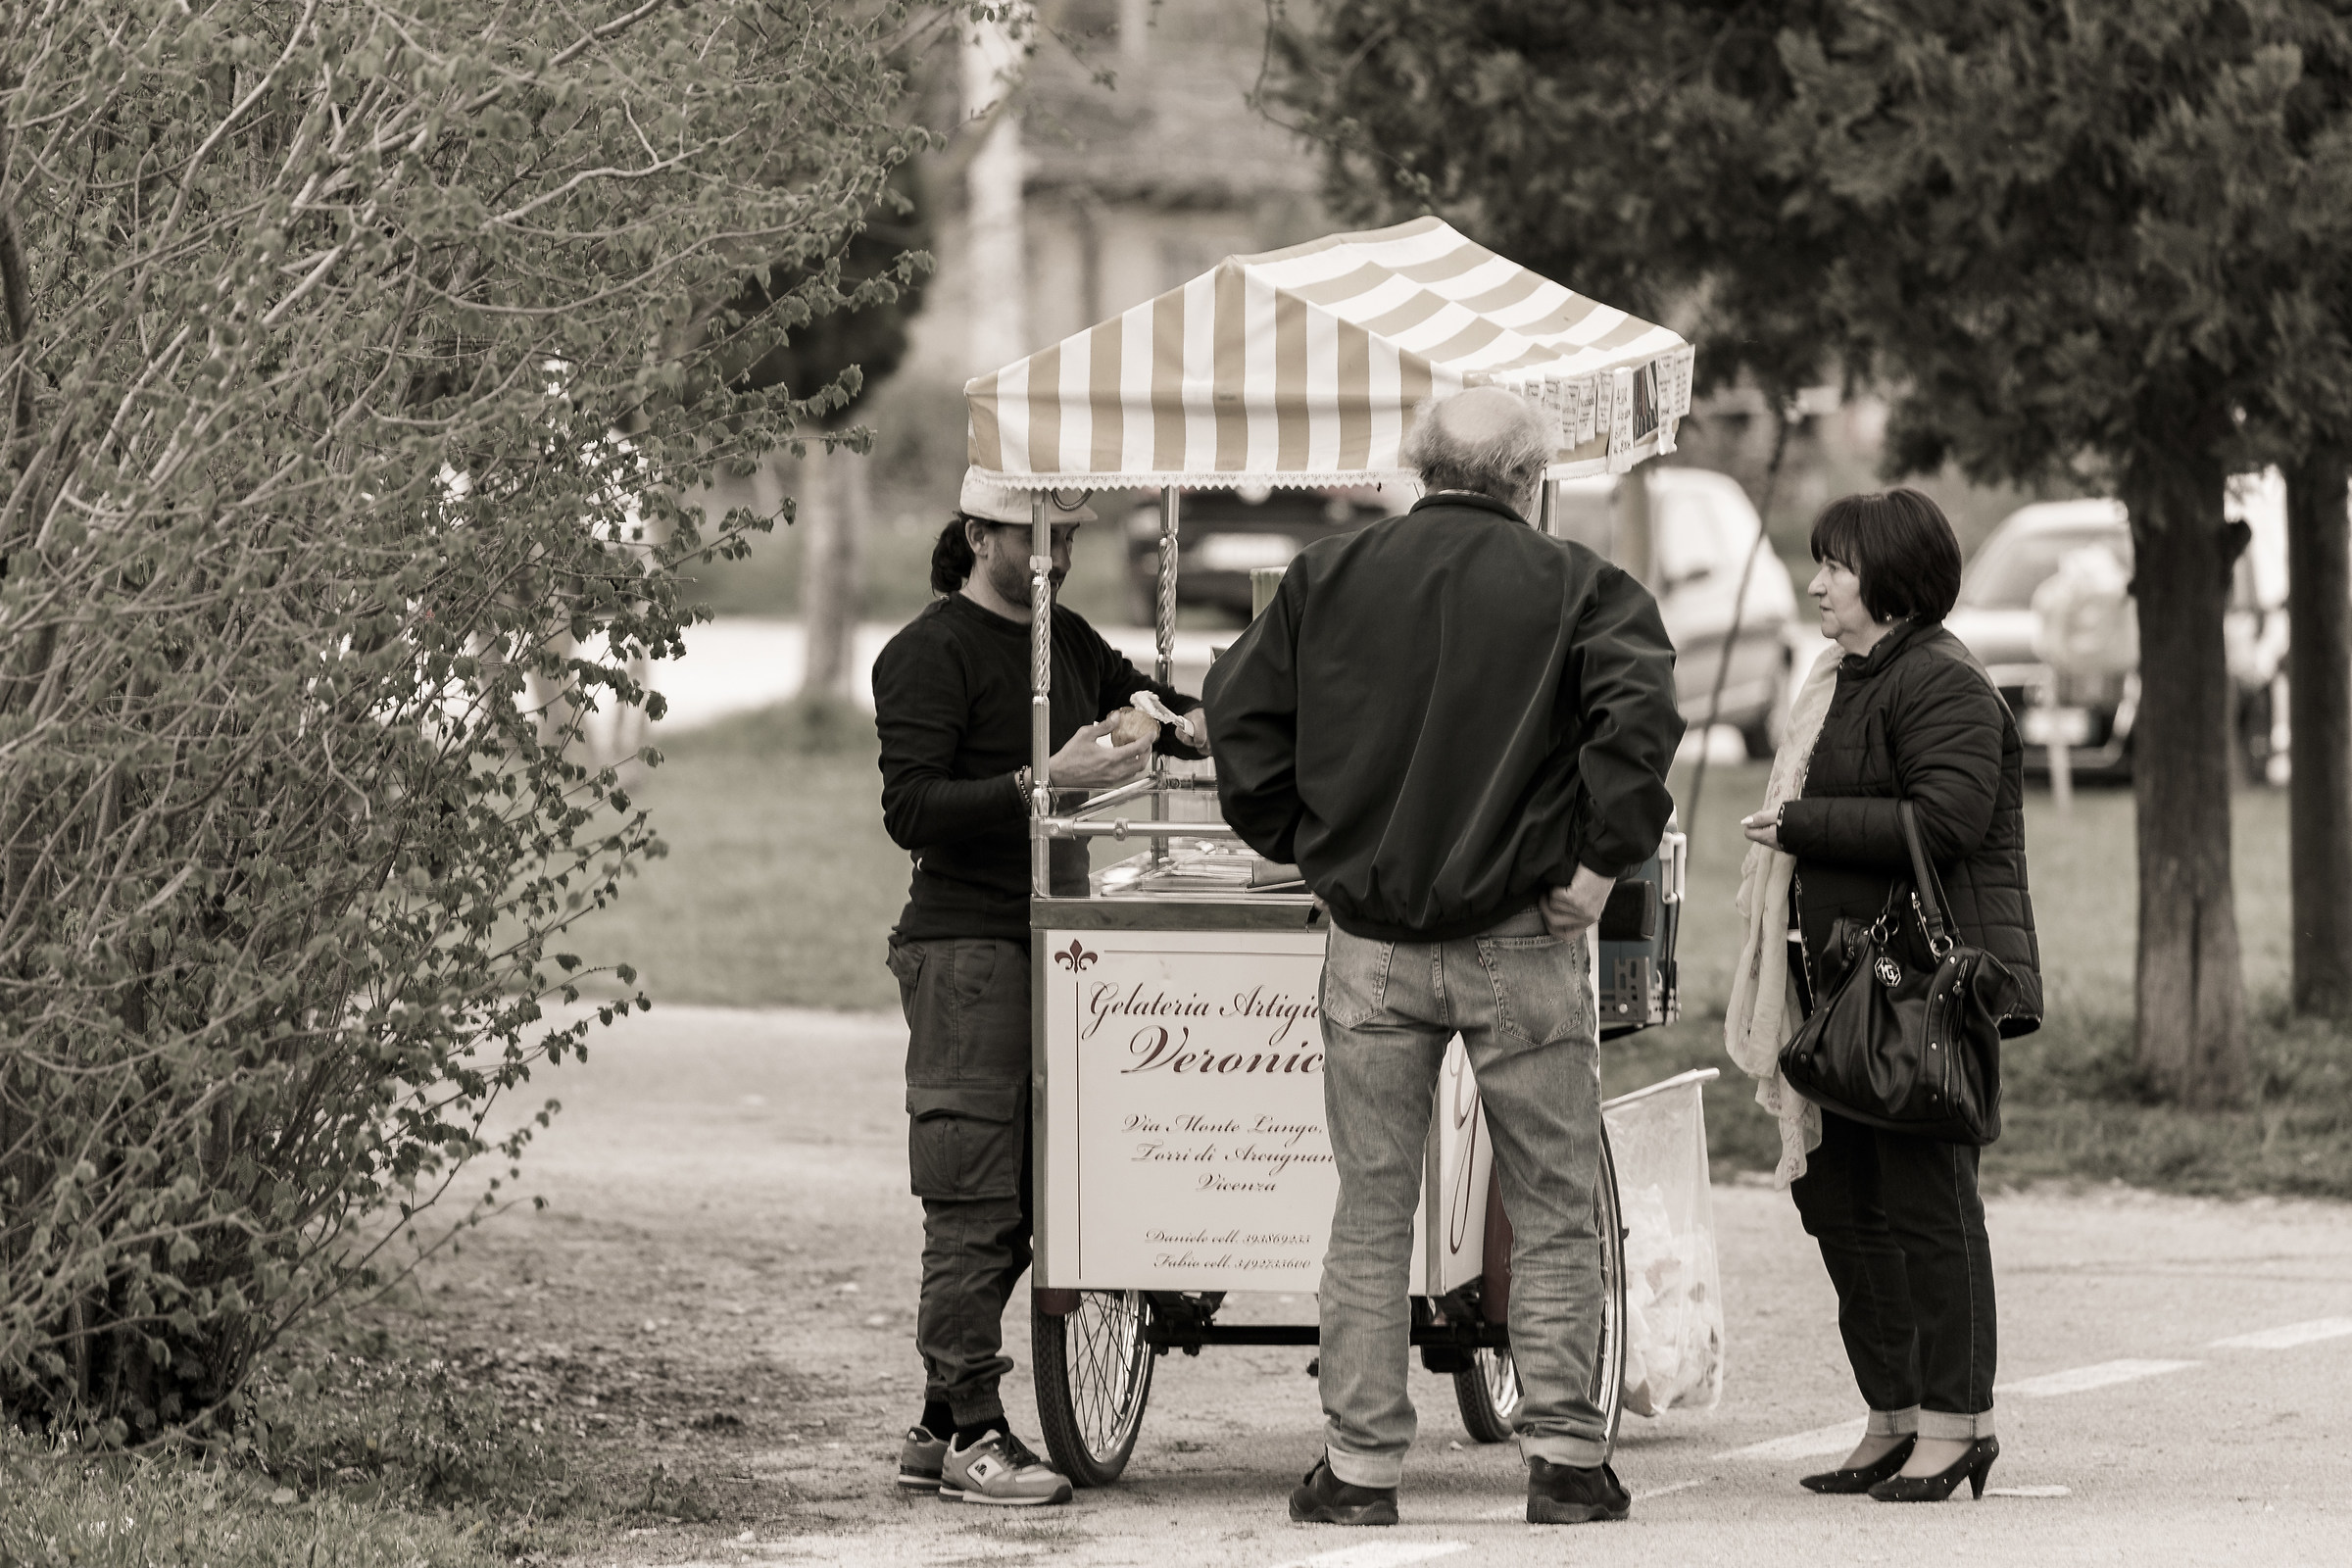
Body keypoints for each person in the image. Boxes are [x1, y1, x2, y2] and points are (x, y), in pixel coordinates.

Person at [1205, 387, 1685, 1527]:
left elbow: (1239, 716)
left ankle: (1361, 1469)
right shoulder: (1582, 587)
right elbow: (1642, 714)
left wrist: (1308, 841)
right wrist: (1600, 859)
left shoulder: (1326, 576)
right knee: (1556, 1196)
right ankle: (1566, 1457)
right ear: (1529, 480)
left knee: (1371, 1206)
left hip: (1369, 941)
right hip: (1525, 933)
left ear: (1420, 468)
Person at [872, 468, 1206, 1507]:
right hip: (968, 949)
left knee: (1040, 1201)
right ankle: (975, 1433)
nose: (1057, 554)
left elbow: (1151, 704)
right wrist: (1044, 780)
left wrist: (1202, 725)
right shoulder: (924, 655)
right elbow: (912, 808)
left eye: (1067, 533)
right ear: (980, 535)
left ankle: (938, 1422)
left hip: (1054, 944)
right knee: (975, 1198)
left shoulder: (1063, 637)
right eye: (1038, 535)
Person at [1730, 488, 2042, 1503]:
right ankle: (1895, 1414)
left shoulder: (1942, 680)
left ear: (1894, 578)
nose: (1816, 582)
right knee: (1843, 1204)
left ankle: (1960, 1424)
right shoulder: (1851, 676)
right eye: (1817, 562)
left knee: (1924, 1206)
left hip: (1918, 994)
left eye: (1836, 565)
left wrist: (1803, 825)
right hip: (1843, 988)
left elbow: (1946, 819)